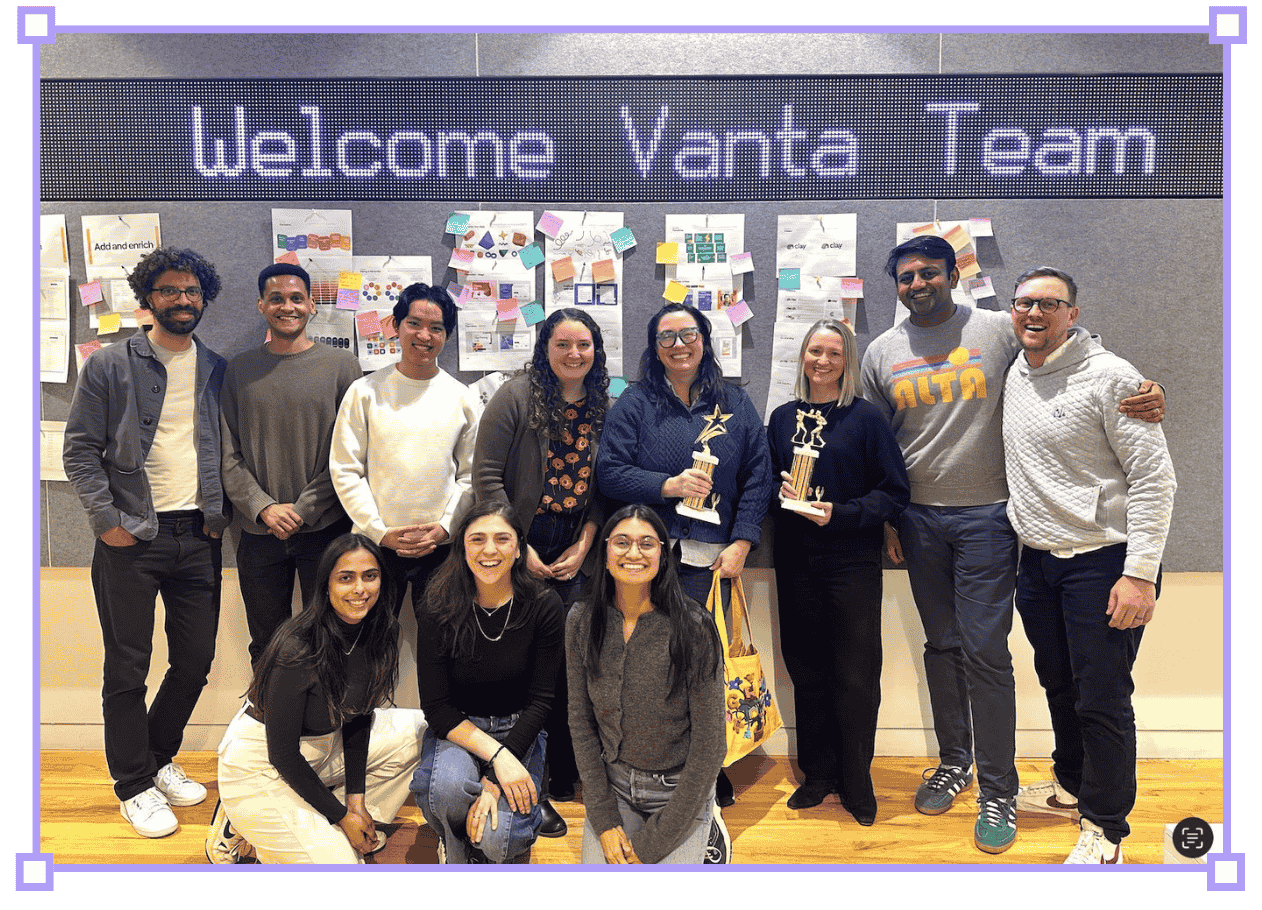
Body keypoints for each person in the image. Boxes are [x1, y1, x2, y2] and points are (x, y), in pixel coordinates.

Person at [858, 235, 1167, 855]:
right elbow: (876, 441)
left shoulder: (999, 326)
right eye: (907, 276)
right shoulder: (881, 351)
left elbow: (1071, 345)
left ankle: (999, 789)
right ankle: (956, 761)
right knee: (942, 646)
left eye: (929, 272)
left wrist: (1145, 389)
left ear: (953, 276)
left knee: (984, 651)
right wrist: (888, 518)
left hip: (991, 521)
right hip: (919, 521)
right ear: (897, 285)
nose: (918, 283)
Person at [1001, 267, 1175, 864]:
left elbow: (1154, 479)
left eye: (1050, 304)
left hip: (1104, 564)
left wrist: (1140, 573)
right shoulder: (1015, 370)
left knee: (1102, 699)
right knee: (1059, 685)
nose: (1035, 313)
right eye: (1025, 302)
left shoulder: (1113, 377)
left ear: (1073, 315)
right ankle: (1072, 785)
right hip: (1038, 564)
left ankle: (1106, 828)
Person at [63, 247, 227, 838]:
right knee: (128, 668)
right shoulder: (110, 364)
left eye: (192, 290)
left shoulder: (217, 368)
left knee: (195, 660)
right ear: (148, 298)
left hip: (199, 535)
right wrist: (106, 521)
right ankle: (133, 785)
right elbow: (79, 449)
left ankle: (156, 759)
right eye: (169, 290)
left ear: (204, 297)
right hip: (130, 537)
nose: (182, 300)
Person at [599, 302, 773, 815]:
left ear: (705, 340)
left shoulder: (735, 403)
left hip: (709, 559)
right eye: (667, 337)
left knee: (703, 665)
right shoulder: (634, 403)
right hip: (644, 559)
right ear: (654, 348)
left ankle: (708, 766)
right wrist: (667, 486)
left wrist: (743, 541)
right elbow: (609, 472)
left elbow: (758, 475)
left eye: (688, 334)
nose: (679, 345)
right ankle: (647, 764)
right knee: (646, 664)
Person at [767, 319, 910, 825]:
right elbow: (767, 485)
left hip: (851, 562)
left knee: (855, 674)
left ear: (848, 360)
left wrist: (842, 514)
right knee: (806, 670)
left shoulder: (866, 419)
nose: (823, 361)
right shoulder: (782, 418)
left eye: (833, 353)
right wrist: (781, 492)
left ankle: (856, 780)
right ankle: (818, 775)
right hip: (796, 559)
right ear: (802, 357)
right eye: (815, 351)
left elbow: (895, 492)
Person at [473, 307, 610, 824]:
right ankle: (524, 779)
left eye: (584, 345)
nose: (574, 354)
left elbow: (609, 485)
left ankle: (565, 772)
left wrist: (587, 542)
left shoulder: (605, 406)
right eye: (562, 344)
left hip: (578, 547)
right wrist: (518, 545)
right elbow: (487, 476)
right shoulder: (515, 397)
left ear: (596, 350)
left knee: (572, 664)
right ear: (544, 348)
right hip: (518, 544)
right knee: (528, 666)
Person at [213, 533, 425, 864]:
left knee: (420, 729)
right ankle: (244, 824)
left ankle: (335, 825)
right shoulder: (297, 647)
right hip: (260, 764)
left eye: (370, 576)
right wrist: (341, 816)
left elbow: (359, 717)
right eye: (346, 578)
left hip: (319, 748)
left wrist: (355, 803)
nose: (360, 589)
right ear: (325, 585)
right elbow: (282, 755)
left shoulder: (382, 631)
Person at [567, 505, 726, 864]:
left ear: (663, 554)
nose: (634, 553)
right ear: (605, 550)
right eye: (622, 542)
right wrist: (604, 818)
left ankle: (709, 825)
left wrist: (651, 845)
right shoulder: (581, 620)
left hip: (679, 792)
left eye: (647, 544)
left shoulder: (694, 626)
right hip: (615, 787)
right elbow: (580, 722)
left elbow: (711, 743)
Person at [221, 263, 362, 666]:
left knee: (334, 636)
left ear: (312, 305)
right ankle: (271, 705)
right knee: (267, 644)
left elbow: (351, 451)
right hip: (258, 530)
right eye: (277, 298)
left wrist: (303, 509)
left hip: (325, 527)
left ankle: (328, 707)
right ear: (261, 305)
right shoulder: (239, 370)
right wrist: (263, 507)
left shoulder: (342, 366)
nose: (288, 307)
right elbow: (228, 452)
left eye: (297, 298)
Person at [409, 501, 564, 863]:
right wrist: (497, 756)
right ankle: (457, 848)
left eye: (502, 539)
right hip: (460, 728)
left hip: (520, 729)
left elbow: (542, 700)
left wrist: (493, 781)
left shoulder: (545, 604)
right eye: (477, 539)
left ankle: (479, 839)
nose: (489, 550)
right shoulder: (436, 605)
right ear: (462, 548)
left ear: (519, 548)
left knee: (500, 840)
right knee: (444, 792)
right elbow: (436, 708)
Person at [330, 282, 481, 627]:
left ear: (447, 336)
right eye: (414, 323)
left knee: (440, 645)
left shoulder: (462, 397)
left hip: (441, 548)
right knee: (367, 641)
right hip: (374, 546)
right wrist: (378, 531)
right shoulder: (364, 392)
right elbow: (345, 469)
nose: (424, 335)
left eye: (436, 328)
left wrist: (445, 528)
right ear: (396, 326)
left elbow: (471, 475)